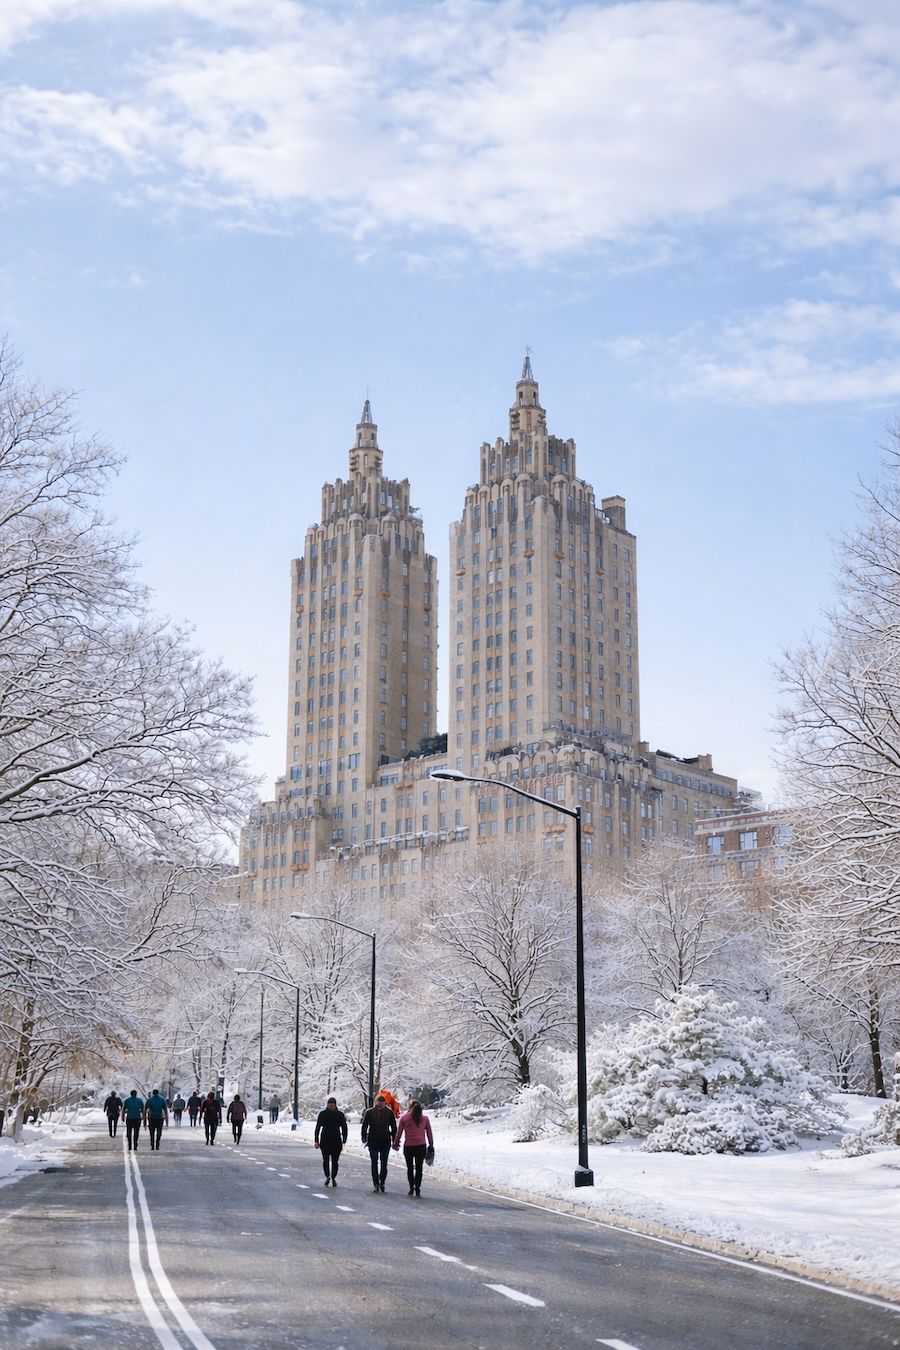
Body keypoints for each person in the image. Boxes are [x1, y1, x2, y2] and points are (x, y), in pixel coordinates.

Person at [393, 1099, 434, 1198]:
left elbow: (399, 1132)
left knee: (410, 1168)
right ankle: (418, 1187)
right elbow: (429, 1133)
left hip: (409, 1146)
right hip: (421, 1146)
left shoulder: (404, 1119)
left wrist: (396, 1143)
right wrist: (431, 1144)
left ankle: (411, 1187)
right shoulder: (425, 1119)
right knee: (419, 1168)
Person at [361, 1093, 397, 1193]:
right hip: (373, 1140)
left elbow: (393, 1127)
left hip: (385, 1140)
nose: (381, 1104)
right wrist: (363, 1137)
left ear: (385, 1103)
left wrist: (395, 1139)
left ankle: (382, 1182)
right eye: (379, 1102)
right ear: (376, 1102)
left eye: (383, 1102)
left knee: (384, 1163)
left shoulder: (389, 1113)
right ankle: (376, 1183)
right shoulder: (370, 1112)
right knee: (374, 1162)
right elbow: (365, 1125)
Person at [314, 1096, 348, 1186]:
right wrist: (316, 1140)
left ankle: (333, 1176)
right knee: (325, 1159)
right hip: (325, 1139)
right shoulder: (323, 1114)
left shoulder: (340, 1114)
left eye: (333, 1105)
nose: (331, 1107)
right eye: (330, 1105)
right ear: (327, 1105)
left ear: (335, 1105)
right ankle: (327, 1175)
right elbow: (318, 1127)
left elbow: (344, 1127)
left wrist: (344, 1138)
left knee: (335, 1160)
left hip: (336, 1140)